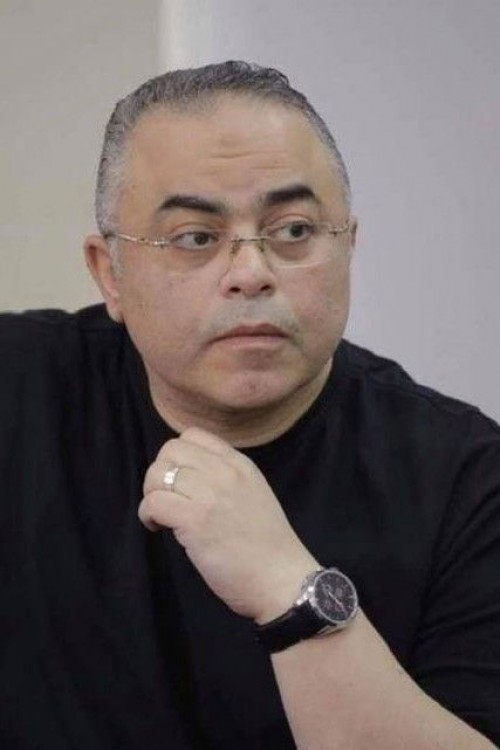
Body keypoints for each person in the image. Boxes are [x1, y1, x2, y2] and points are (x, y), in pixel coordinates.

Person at [1, 61, 499, 750]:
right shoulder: (19, 391)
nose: (251, 273)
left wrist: (289, 591)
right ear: (110, 273)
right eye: (195, 238)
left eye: (292, 231)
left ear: (348, 247)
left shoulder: (467, 482)